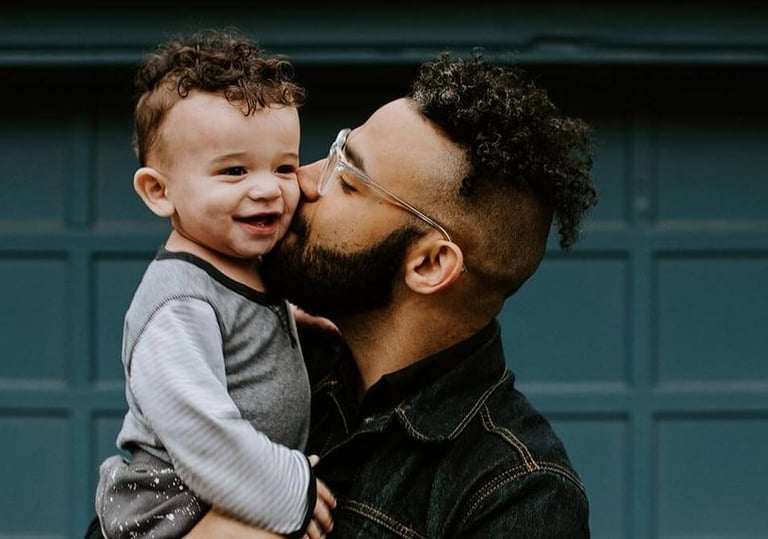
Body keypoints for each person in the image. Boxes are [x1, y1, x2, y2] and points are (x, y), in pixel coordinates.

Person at [186, 49, 598, 537]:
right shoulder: (256, 356)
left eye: (347, 179)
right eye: (336, 150)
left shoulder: (516, 491)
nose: (301, 179)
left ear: (429, 264)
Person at [91, 28, 334, 539]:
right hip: (173, 504)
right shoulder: (178, 303)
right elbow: (202, 431)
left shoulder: (243, 264)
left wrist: (293, 320)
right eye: (234, 171)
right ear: (159, 191)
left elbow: (238, 328)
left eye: (283, 167)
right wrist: (292, 489)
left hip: (222, 490)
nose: (267, 189)